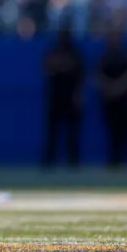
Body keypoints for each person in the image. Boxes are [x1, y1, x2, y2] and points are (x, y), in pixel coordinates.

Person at [42, 27, 85, 168]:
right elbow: (48, 68)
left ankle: (74, 162)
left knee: (72, 135)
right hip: (56, 99)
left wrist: (78, 97)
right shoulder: (54, 53)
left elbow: (81, 77)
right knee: (53, 134)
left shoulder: (76, 55)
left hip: (71, 100)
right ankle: (48, 163)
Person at [97, 30, 127, 166]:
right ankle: (115, 162)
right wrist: (110, 88)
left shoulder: (126, 57)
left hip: (124, 101)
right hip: (110, 101)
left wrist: (118, 88)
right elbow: (98, 77)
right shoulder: (104, 58)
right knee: (113, 132)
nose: (113, 41)